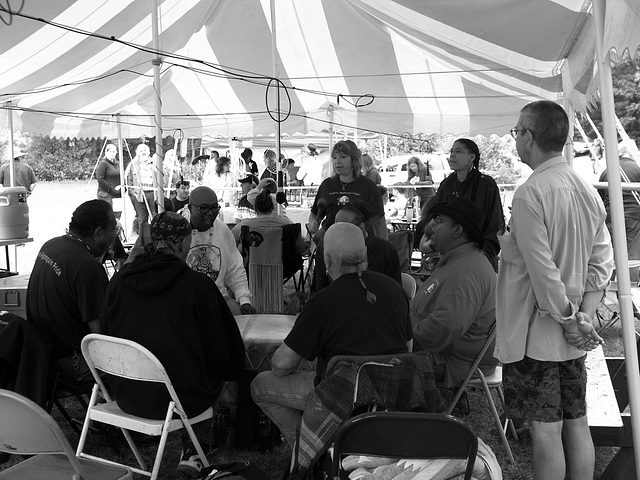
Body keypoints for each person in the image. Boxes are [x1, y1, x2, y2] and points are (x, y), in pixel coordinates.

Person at [497, 100, 614, 480]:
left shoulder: (531, 192)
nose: (516, 139)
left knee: (546, 431)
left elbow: (542, 271)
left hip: (539, 330)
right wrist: (584, 315)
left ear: (529, 137)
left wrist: (569, 320)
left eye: (517, 132)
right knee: (576, 421)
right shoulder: (587, 189)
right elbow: (602, 264)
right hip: (570, 328)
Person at [102, 212, 245, 477]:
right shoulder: (197, 287)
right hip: (180, 399)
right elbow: (223, 349)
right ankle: (194, 449)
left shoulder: (119, 281)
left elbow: (106, 334)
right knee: (213, 372)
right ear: (181, 243)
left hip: (128, 394)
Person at [250, 222, 412, 448]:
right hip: (392, 394)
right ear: (364, 253)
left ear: (327, 260)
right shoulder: (395, 289)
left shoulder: (323, 301)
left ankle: (309, 448)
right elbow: (408, 348)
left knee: (260, 385)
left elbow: (280, 365)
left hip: (342, 397)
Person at [410, 197, 497, 389]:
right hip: (442, 354)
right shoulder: (461, 261)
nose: (432, 226)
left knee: (366, 360)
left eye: (439, 221)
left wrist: (404, 338)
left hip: (448, 362)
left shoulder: (466, 270)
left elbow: (445, 325)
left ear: (457, 230)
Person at [27, 200, 117, 383]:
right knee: (146, 362)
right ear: (98, 233)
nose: (115, 236)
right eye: (114, 230)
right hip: (72, 363)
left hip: (40, 356)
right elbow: (101, 337)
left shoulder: (51, 246)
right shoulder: (88, 268)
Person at [180, 186, 256, 315]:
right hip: (185, 301)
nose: (210, 213)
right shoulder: (179, 232)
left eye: (214, 207)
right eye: (203, 208)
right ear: (190, 208)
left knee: (244, 325)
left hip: (219, 298)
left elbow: (235, 268)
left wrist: (244, 301)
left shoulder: (223, 229)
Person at [429, 138, 504, 271]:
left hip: (480, 255)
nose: (452, 155)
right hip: (449, 254)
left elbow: (495, 223)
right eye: (451, 151)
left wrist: (486, 252)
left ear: (472, 157)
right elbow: (436, 219)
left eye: (458, 151)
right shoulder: (446, 185)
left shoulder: (486, 185)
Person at [308, 140, 387, 240]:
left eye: (343, 157)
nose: (338, 161)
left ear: (354, 160)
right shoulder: (327, 185)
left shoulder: (368, 186)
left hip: (360, 243)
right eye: (335, 157)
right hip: (330, 243)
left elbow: (379, 221)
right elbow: (314, 214)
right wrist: (313, 224)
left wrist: (384, 248)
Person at [314, 203, 401, 291]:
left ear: (361, 227)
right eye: (336, 226)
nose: (339, 231)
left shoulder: (385, 251)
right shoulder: (326, 249)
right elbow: (319, 290)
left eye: (345, 228)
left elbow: (394, 290)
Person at [598, 150, 640, 283]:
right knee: (632, 254)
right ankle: (632, 288)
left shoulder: (606, 171)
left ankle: (607, 286)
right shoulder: (637, 168)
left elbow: (601, 197)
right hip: (634, 216)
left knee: (611, 253)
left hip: (611, 217)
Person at [231, 189, 297, 246]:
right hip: (279, 260)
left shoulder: (244, 226)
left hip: (252, 260)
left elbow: (230, 240)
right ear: (273, 207)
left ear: (254, 207)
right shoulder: (287, 224)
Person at [124, 143, 156, 234]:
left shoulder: (155, 163)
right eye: (141, 151)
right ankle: (143, 239)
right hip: (139, 195)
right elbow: (129, 180)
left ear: (149, 152)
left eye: (145, 150)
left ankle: (156, 237)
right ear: (137, 152)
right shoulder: (133, 164)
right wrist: (132, 193)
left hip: (153, 193)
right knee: (142, 219)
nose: (143, 152)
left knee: (155, 217)